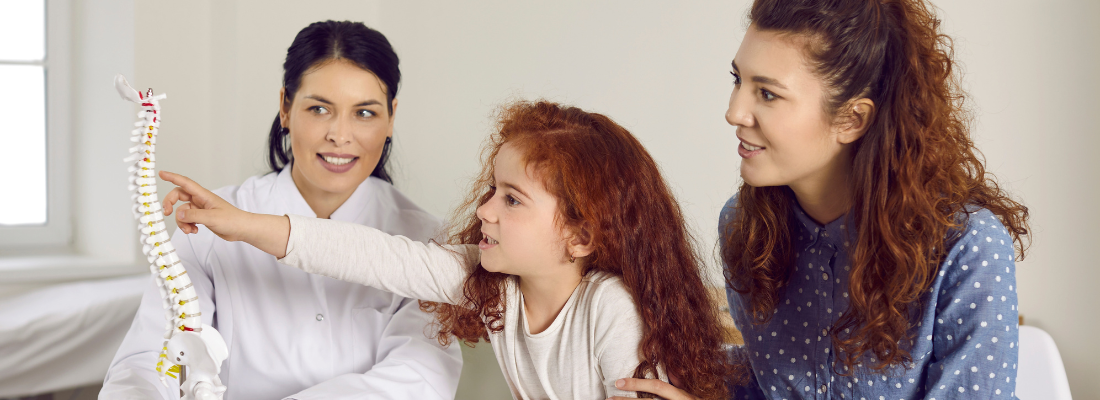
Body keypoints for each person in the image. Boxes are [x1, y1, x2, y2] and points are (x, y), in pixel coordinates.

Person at [156, 100, 736, 399]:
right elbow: (368, 254)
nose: (485, 210)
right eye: (492, 191)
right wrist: (240, 223)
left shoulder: (609, 307)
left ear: (580, 237)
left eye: (512, 200)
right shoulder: (495, 286)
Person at [612, 0, 1031, 399]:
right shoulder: (744, 228)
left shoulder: (967, 246)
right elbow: (771, 382)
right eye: (738, 79)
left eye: (768, 93)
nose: (734, 112)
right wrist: (685, 376)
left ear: (852, 119)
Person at [100, 20, 462, 400]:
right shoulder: (207, 229)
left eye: (364, 113)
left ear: (391, 118)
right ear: (285, 108)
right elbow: (153, 360)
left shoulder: (427, 243)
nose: (340, 136)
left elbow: (418, 379)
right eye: (319, 109)